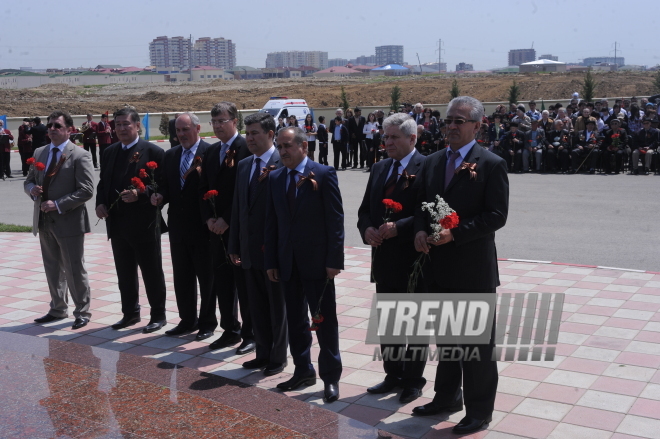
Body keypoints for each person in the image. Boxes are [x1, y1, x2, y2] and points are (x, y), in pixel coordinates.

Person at [412, 96, 509, 435]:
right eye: (448, 120)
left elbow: (497, 216)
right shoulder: (434, 161)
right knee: (449, 340)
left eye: (459, 121)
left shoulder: (491, 164)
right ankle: (446, 398)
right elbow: (423, 205)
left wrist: (456, 234)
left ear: (477, 126)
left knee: (477, 347)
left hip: (473, 269)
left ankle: (480, 411)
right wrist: (421, 230)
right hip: (438, 268)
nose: (451, 126)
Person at [264, 126, 344, 403]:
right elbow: (272, 223)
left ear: (303, 147)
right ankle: (302, 370)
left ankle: (330, 378)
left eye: (288, 146)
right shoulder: (275, 178)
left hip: (318, 265)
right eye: (280, 146)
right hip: (287, 263)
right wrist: (272, 260)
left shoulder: (323, 174)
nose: (283, 151)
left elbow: (335, 221)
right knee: (296, 321)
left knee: (323, 321)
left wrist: (334, 260)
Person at [357, 113, 427, 404]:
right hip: (383, 259)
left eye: (394, 137)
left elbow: (428, 211)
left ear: (412, 139)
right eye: (385, 137)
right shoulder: (379, 168)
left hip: (413, 259)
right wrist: (367, 230)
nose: (387, 142)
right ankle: (393, 374)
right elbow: (364, 211)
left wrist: (400, 226)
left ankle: (413, 380)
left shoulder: (428, 167)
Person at [95, 107, 168, 333]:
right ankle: (130, 313)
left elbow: (163, 185)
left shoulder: (153, 152)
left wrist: (141, 193)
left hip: (144, 223)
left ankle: (158, 314)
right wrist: (100, 203)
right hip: (117, 224)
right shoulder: (109, 152)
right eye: (117, 124)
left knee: (151, 271)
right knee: (124, 273)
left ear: (137, 125)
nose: (122, 128)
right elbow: (103, 183)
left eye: (126, 124)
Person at [228, 113, 288, 376]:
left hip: (273, 253)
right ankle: (262, 352)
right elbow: (238, 209)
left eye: (255, 133)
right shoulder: (243, 166)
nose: (249, 138)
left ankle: (278, 356)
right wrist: (234, 245)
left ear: (271, 135)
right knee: (256, 307)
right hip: (248, 252)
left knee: (278, 308)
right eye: (247, 133)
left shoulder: (283, 163)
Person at [24, 110, 94, 330]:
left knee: (74, 268)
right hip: (44, 221)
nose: (52, 129)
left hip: (69, 221)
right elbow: (28, 181)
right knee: (52, 267)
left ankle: (82, 311)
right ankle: (57, 308)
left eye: (57, 126)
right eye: (50, 125)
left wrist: (59, 204)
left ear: (69, 130)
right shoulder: (40, 152)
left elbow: (86, 190)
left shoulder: (80, 155)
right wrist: (31, 189)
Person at [150, 112, 213, 338]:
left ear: (197, 129)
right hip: (178, 228)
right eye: (178, 130)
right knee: (182, 278)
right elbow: (166, 187)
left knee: (207, 280)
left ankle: (207, 323)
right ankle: (187, 320)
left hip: (203, 228)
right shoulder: (171, 156)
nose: (181, 134)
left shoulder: (210, 153)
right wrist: (159, 197)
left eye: (185, 129)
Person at [199, 101, 254, 353]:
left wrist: (227, 219)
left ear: (235, 121)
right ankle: (229, 329)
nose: (218, 125)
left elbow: (245, 193)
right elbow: (202, 190)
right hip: (215, 231)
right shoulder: (211, 152)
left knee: (244, 284)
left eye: (222, 120)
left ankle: (251, 333)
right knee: (222, 282)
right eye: (214, 121)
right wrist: (208, 218)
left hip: (238, 230)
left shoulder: (247, 149)